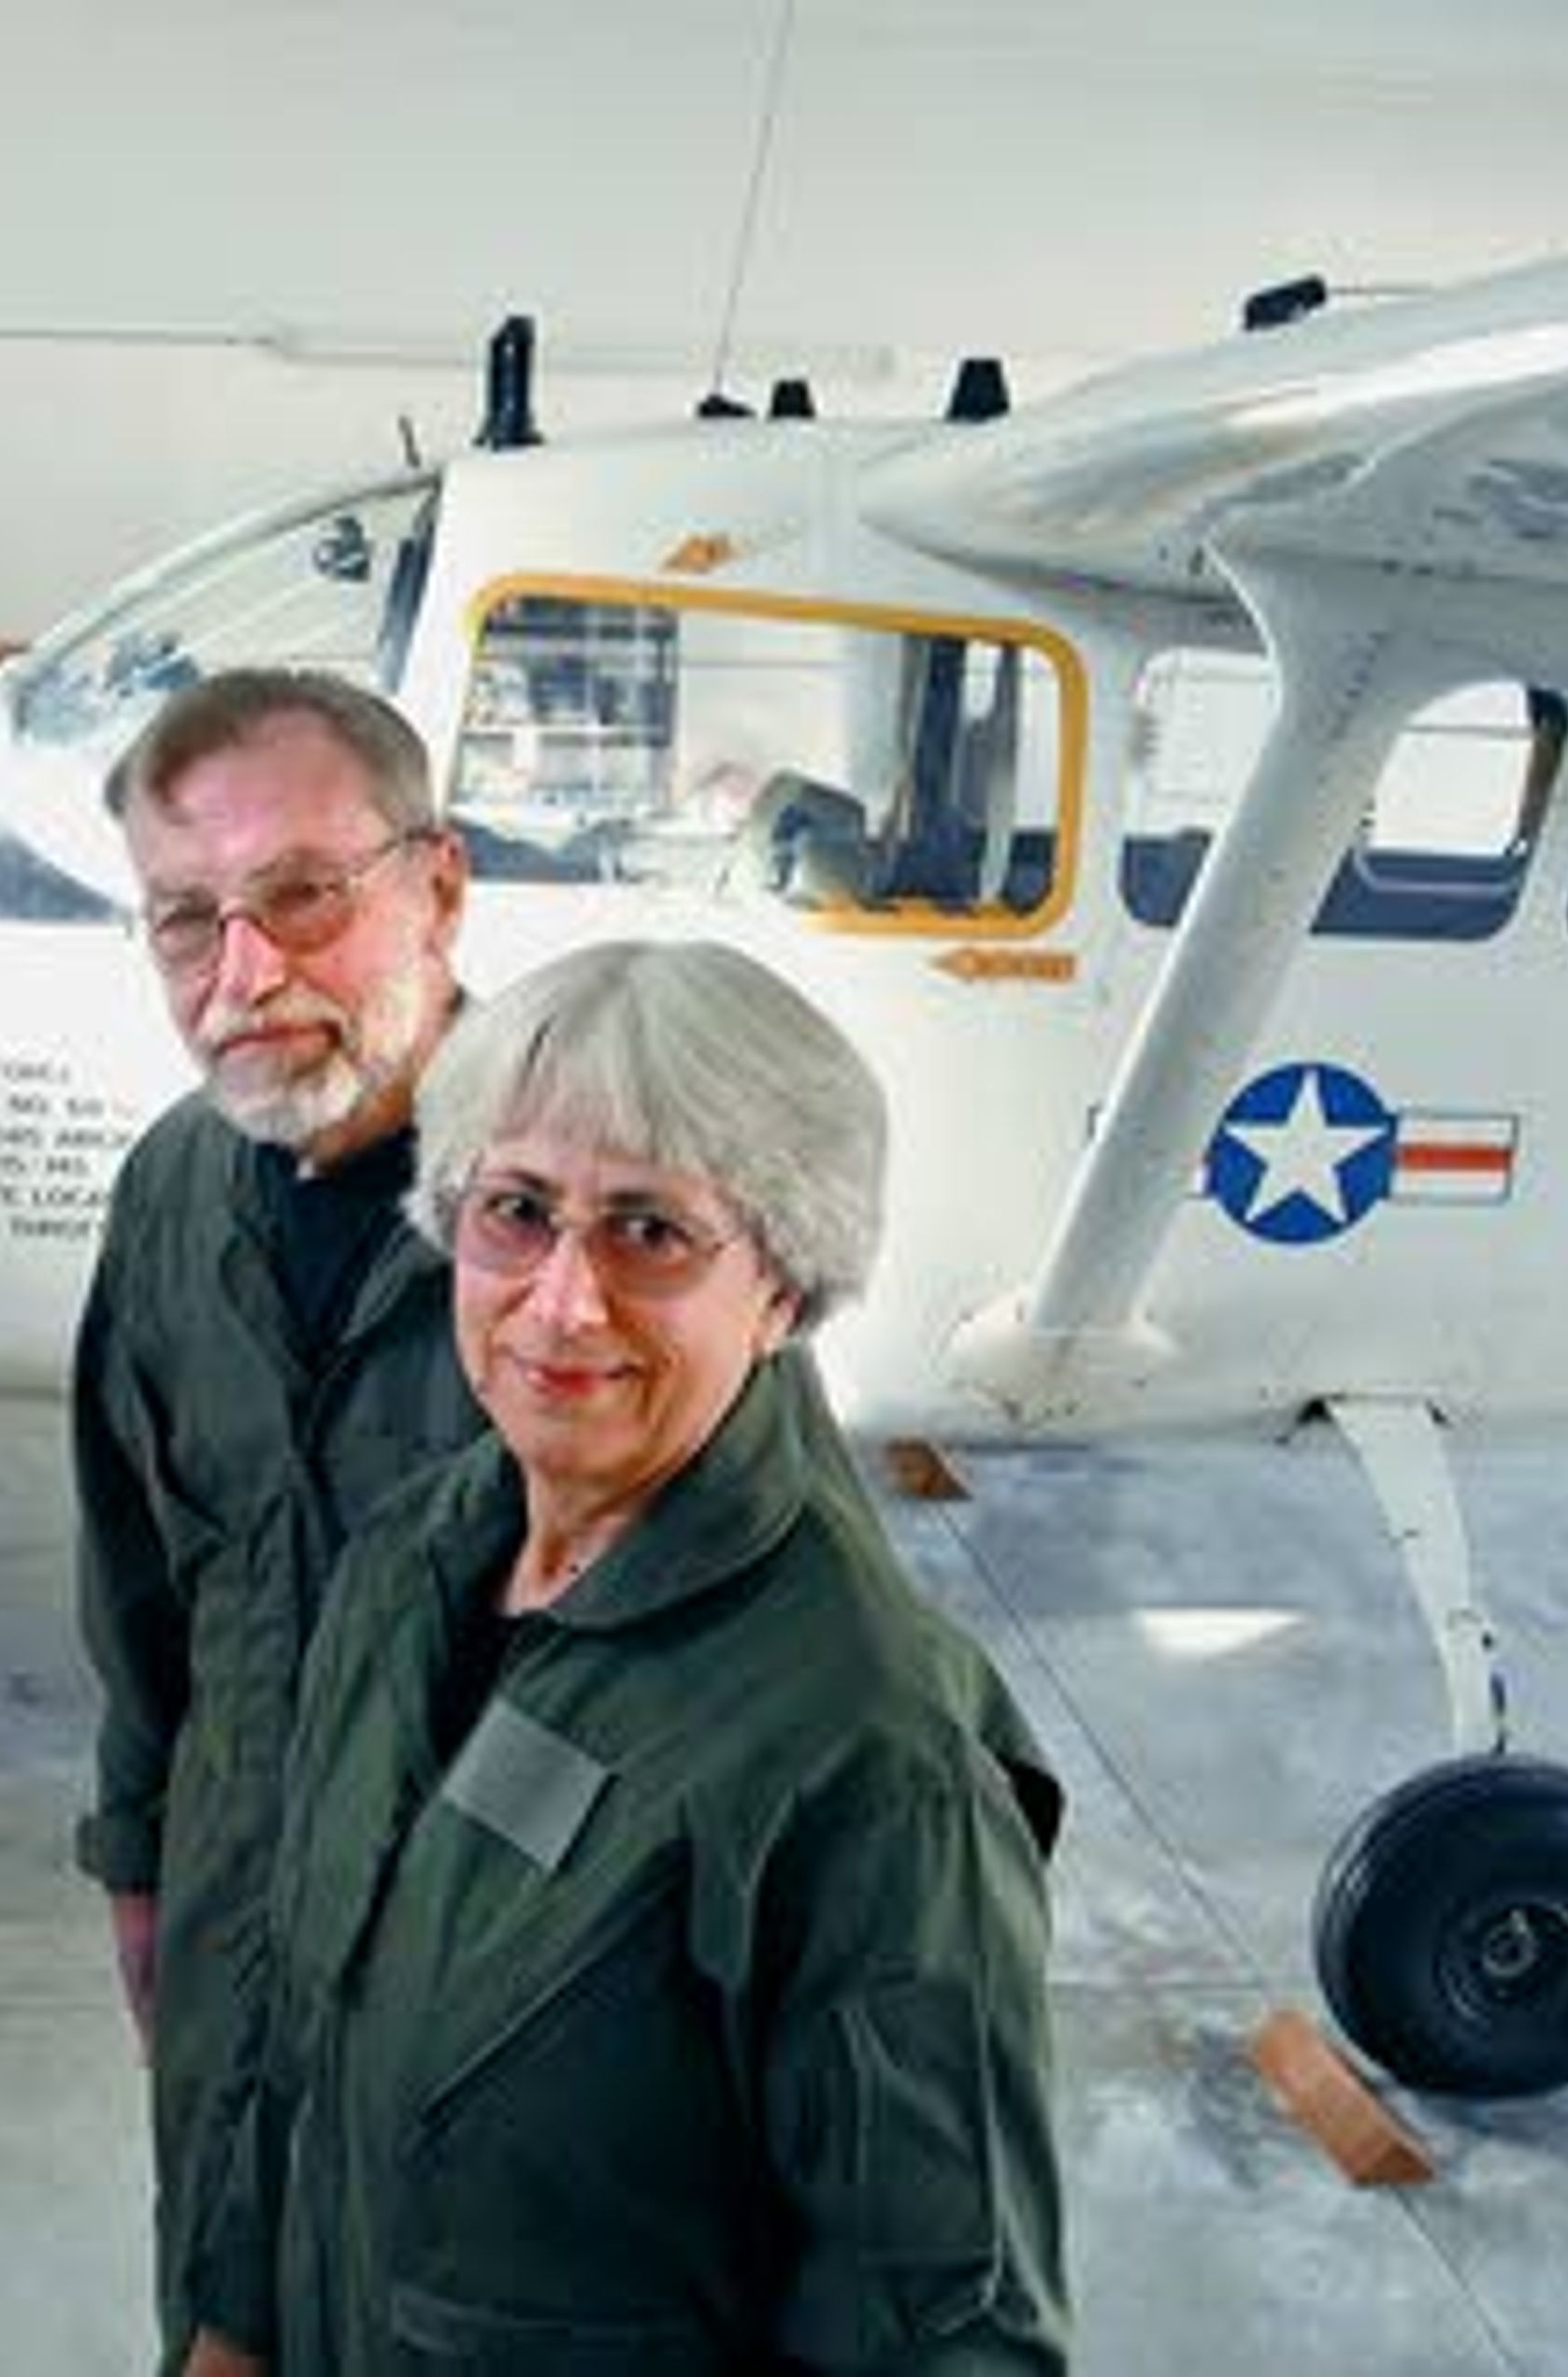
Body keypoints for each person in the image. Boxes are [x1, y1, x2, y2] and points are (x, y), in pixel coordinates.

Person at [194, 940, 1070, 2374]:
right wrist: (233, 2326)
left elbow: (951, 2338)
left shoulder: (870, 1752)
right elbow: (309, 2031)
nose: (560, 1301)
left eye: (651, 1232)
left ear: (784, 1287)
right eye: (518, 1212)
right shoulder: (406, 1568)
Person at [68, 669, 485, 2377]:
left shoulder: (601, 1216)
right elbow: (136, 1573)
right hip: (238, 1947)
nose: (245, 978)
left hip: (494, 1982)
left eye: (304, 895)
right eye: (185, 922)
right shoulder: (174, 1190)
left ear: (438, 887)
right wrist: (143, 1860)